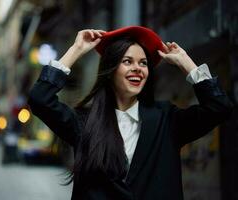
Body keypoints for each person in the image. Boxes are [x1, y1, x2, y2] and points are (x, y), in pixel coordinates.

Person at [28, 26, 233, 200]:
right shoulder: (85, 122)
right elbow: (40, 99)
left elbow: (219, 107)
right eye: (128, 61)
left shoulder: (166, 119)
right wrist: (76, 49)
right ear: (110, 70)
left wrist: (186, 63)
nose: (138, 69)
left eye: (143, 63)